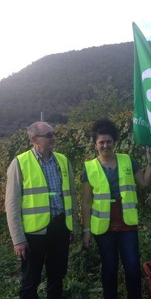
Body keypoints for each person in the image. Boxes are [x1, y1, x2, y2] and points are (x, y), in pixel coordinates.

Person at [82, 118, 151, 299]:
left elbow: (145, 182)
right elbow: (86, 202)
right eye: (101, 142)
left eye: (109, 141)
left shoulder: (127, 160)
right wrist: (86, 230)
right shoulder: (89, 168)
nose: (105, 145)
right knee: (109, 267)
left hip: (127, 223)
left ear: (115, 142)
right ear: (95, 144)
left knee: (132, 266)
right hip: (102, 227)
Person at [5, 121, 79, 299]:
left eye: (54, 134)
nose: (54, 138)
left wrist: (73, 226)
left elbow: (72, 196)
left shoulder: (62, 160)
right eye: (49, 135)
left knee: (57, 276)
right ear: (34, 139)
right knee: (30, 280)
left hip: (60, 228)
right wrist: (18, 239)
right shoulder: (20, 163)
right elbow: (12, 203)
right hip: (34, 233)